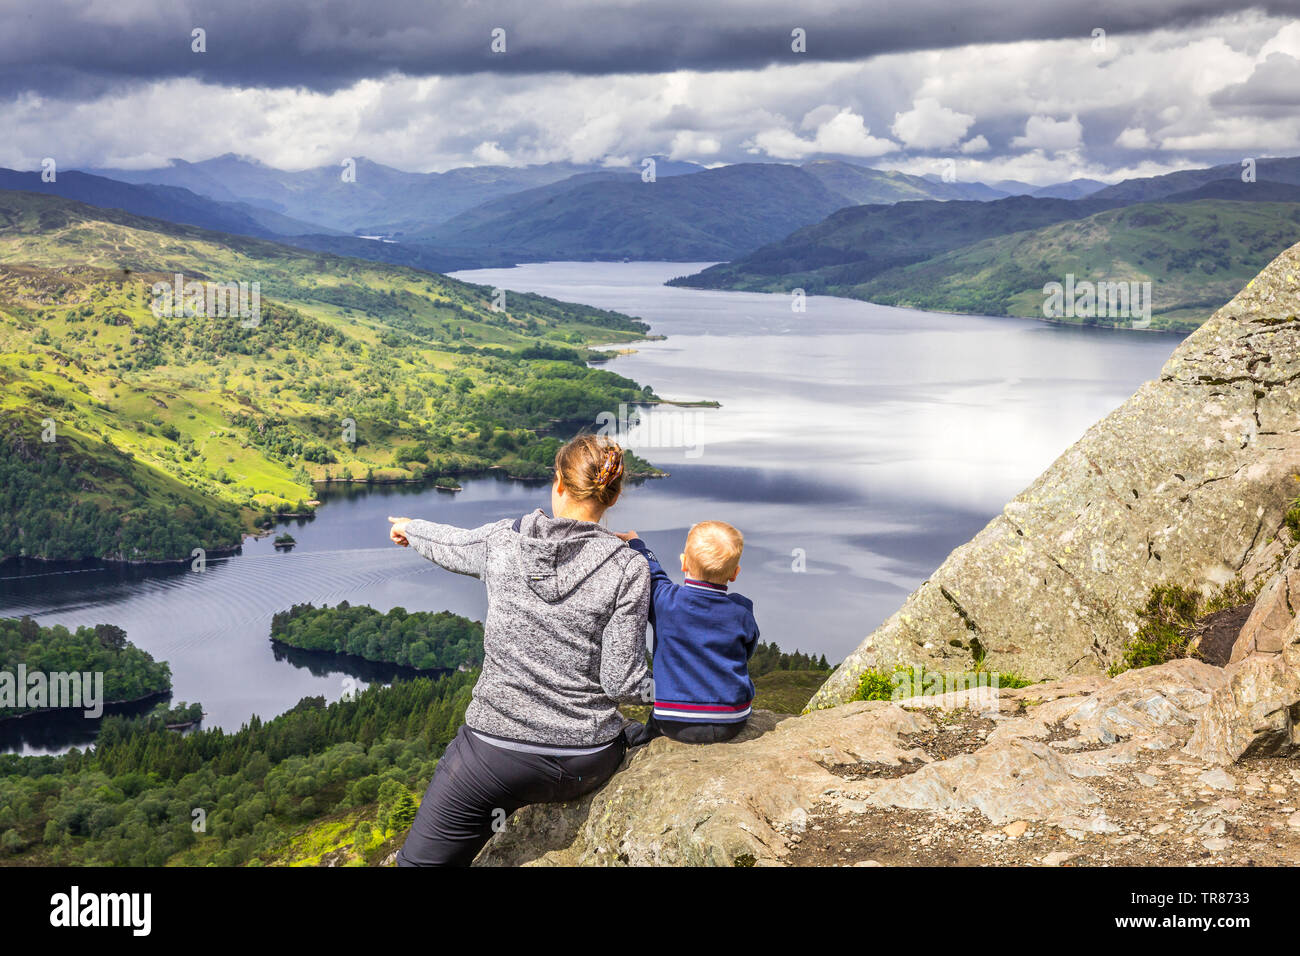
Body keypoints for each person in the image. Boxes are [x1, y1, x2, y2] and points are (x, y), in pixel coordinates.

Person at [388, 435, 649, 866]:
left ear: (559, 485)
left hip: (491, 755)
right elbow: (622, 683)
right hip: (582, 762)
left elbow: (455, 544)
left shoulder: (503, 542)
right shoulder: (627, 567)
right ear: (613, 495)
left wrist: (409, 529)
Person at [617, 521, 759, 745]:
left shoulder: (665, 601)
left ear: (684, 563)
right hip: (731, 721)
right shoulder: (741, 610)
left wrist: (637, 543)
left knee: (649, 725)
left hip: (674, 723)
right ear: (735, 573)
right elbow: (747, 651)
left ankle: (642, 740)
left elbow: (652, 574)